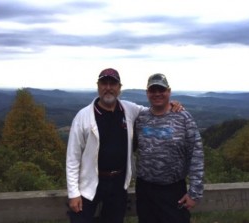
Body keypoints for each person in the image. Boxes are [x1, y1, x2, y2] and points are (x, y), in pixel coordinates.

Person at [66, 68, 183, 223]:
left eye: (112, 84)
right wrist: (73, 193)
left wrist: (171, 105)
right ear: (98, 86)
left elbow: (153, 110)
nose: (108, 87)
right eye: (104, 83)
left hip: (118, 183)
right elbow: (72, 158)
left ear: (119, 88)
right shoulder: (83, 117)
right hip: (89, 183)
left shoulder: (128, 109)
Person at [134, 73, 204, 223]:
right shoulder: (140, 118)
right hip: (145, 190)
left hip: (174, 191)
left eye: (161, 89)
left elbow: (196, 154)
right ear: (147, 93)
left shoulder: (184, 118)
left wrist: (194, 192)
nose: (157, 93)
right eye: (153, 90)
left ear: (169, 91)